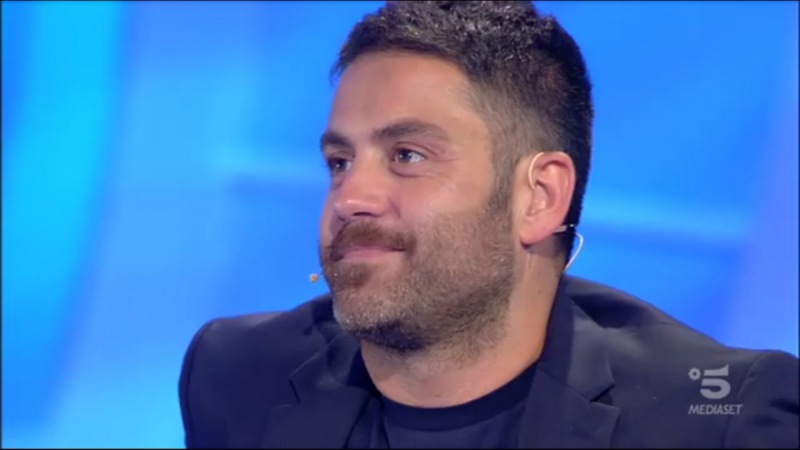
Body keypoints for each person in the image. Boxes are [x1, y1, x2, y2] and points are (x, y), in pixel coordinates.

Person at [178, 1, 799, 448]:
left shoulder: (717, 419)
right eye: (340, 162)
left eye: (407, 156)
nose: (351, 198)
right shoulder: (237, 373)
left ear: (540, 197)